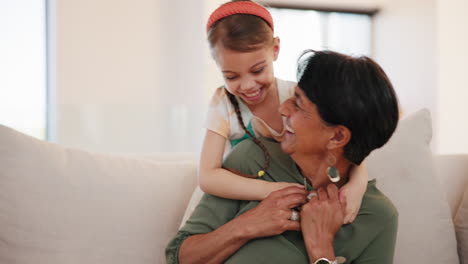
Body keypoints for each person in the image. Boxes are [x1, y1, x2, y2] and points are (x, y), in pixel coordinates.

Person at [166, 50, 400, 264]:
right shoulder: (253, 158)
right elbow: (178, 257)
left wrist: (321, 249)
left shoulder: (378, 217)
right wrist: (247, 225)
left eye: (298, 105)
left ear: (337, 137)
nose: (282, 108)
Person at [198, 0, 367, 223]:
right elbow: (208, 177)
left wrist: (357, 186)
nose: (248, 85)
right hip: (245, 197)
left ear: (275, 50)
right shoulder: (224, 102)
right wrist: (273, 190)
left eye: (258, 70)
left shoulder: (296, 96)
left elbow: (345, 146)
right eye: (232, 76)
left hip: (299, 198)